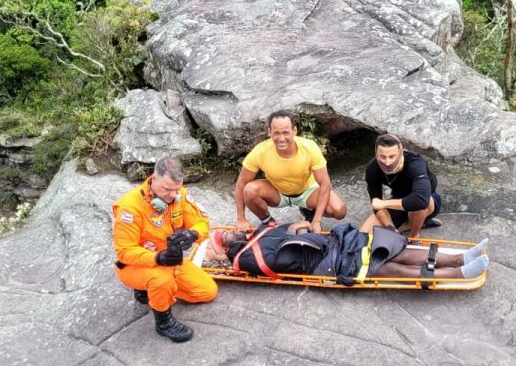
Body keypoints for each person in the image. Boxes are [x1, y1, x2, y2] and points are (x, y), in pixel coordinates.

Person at [113, 157, 217, 342]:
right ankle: (163, 321)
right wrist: (158, 258)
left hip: (171, 261)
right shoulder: (129, 208)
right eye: (167, 189)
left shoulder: (180, 196)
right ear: (153, 179)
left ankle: (151, 290)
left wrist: (192, 234)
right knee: (160, 279)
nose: (172, 195)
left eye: (176, 189)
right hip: (135, 266)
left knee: (207, 292)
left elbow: (202, 223)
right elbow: (125, 252)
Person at [206, 221, 489, 283]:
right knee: (389, 268)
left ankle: (459, 257)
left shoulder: (257, 233)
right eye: (223, 236)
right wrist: (299, 236)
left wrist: (302, 232)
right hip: (324, 264)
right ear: (225, 248)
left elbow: (292, 226)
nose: (228, 231)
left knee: (395, 248)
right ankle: (460, 273)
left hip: (331, 245)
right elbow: (280, 263)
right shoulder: (245, 258)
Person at [235, 111, 347, 234]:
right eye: (276, 133)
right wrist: (241, 219)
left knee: (339, 210)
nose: (281, 138)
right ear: (269, 132)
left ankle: (309, 210)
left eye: (285, 133)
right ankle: (268, 221)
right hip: (277, 192)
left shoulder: (309, 147)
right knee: (249, 190)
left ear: (294, 131)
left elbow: (325, 184)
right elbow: (241, 183)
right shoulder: (260, 152)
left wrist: (317, 221)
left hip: (307, 191)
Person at [362, 133, 442, 239]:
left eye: (392, 156)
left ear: (401, 152)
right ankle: (412, 224)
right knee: (363, 234)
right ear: (376, 154)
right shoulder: (372, 168)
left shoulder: (415, 162)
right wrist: (390, 228)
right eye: (382, 157)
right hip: (399, 202)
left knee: (418, 206)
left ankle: (414, 235)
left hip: (426, 202)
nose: (387, 162)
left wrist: (384, 204)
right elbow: (377, 204)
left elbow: (421, 200)